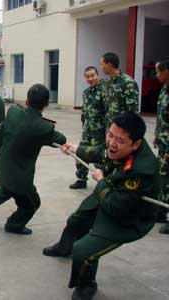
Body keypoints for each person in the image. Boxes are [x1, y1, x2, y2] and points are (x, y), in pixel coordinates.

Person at [43, 112, 158, 300]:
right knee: (76, 220)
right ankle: (64, 247)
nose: (112, 142)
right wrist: (76, 148)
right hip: (112, 192)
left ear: (136, 144)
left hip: (129, 216)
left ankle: (86, 285)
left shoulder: (141, 170)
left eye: (119, 140)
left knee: (83, 251)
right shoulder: (118, 145)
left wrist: (101, 182)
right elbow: (101, 152)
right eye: (110, 135)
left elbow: (115, 207)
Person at [0, 84, 66, 234]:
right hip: (19, 175)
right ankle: (14, 225)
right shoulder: (43, 128)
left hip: (1, 165)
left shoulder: (13, 111)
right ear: (47, 104)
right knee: (32, 204)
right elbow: (61, 139)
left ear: (26, 101)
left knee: (6, 187)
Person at [70, 67, 106, 189]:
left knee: (99, 159)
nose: (90, 78)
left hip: (100, 133)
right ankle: (81, 179)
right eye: (87, 76)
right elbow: (85, 112)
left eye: (92, 75)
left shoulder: (105, 91)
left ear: (98, 75)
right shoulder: (86, 92)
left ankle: (103, 183)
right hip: (87, 132)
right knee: (80, 154)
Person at [100, 52, 139, 126]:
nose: (101, 67)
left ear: (109, 65)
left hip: (122, 128)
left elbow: (132, 111)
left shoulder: (127, 82)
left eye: (102, 64)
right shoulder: (108, 83)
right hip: (111, 127)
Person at [154, 57, 169, 234]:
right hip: (163, 144)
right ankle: (160, 211)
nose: (156, 75)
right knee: (163, 180)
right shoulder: (164, 89)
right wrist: (158, 136)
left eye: (158, 72)